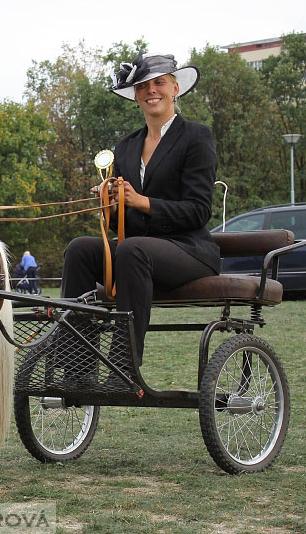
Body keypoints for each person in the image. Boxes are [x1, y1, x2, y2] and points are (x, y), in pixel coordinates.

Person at [61, 53, 220, 365]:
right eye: (143, 86)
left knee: (132, 249)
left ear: (175, 89)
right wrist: (111, 204)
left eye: (159, 83)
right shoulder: (126, 147)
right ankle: (76, 365)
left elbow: (199, 211)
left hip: (187, 250)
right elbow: (125, 226)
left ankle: (124, 365)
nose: (152, 91)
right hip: (138, 253)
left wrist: (140, 201)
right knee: (80, 249)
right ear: (135, 95)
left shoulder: (196, 137)